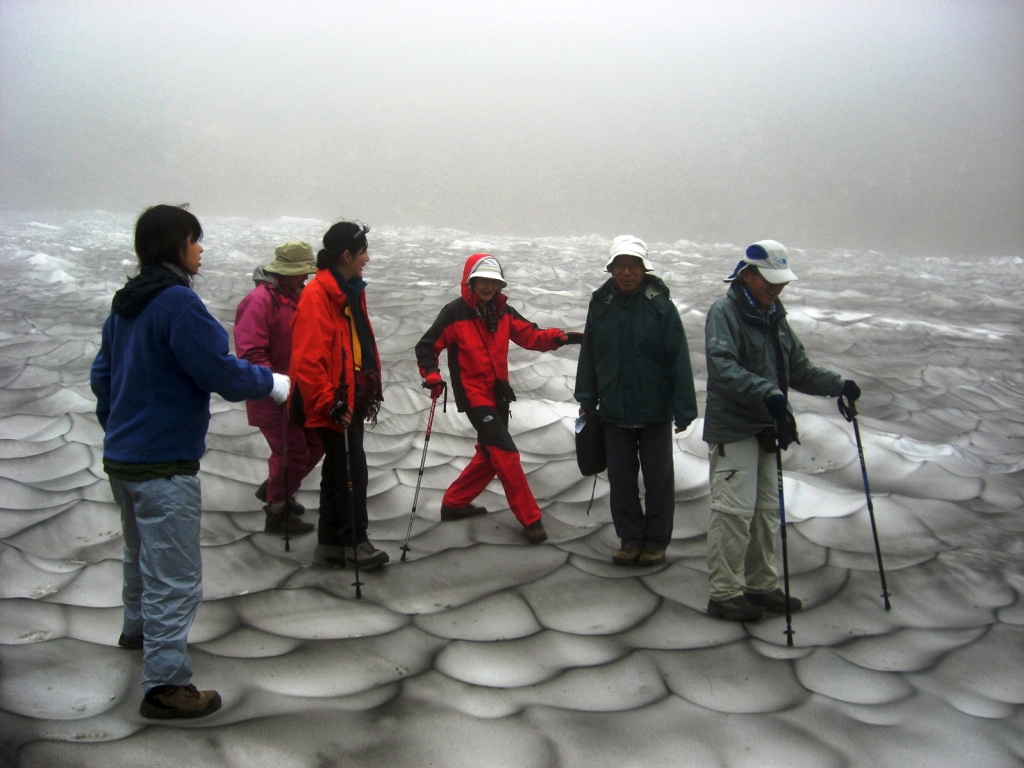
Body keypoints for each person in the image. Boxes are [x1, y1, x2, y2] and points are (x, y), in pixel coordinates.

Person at [90, 204, 290, 719]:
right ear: (175, 246)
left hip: (125, 458)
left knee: (139, 556)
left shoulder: (127, 304)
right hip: (164, 464)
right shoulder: (178, 303)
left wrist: (120, 426)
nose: (200, 249)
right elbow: (216, 371)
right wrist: (273, 383)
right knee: (174, 576)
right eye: (194, 241)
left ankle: (137, 632)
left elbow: (102, 375)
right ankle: (166, 685)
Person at [703, 240, 861, 621]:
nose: (776, 288)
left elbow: (799, 369)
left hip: (769, 428)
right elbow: (722, 368)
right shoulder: (724, 312)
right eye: (768, 280)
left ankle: (760, 586)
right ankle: (723, 594)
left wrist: (839, 385)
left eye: (780, 281)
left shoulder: (776, 317)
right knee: (733, 512)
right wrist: (768, 393)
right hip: (735, 428)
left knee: (765, 512)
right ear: (747, 275)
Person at [415, 253, 581, 544]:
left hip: (499, 394)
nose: (489, 287)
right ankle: (531, 520)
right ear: (471, 282)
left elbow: (531, 335)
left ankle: (454, 504)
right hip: (473, 395)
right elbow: (427, 346)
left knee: (490, 454)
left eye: (494, 281)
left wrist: (561, 337)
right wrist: (431, 374)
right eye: (483, 280)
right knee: (505, 453)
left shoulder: (503, 312)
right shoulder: (454, 313)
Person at [574, 235, 698, 567]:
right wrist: (586, 397)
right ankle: (630, 539)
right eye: (620, 266)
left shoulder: (660, 306)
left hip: (655, 409)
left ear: (644, 269)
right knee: (622, 478)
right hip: (614, 409)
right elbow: (590, 353)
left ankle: (656, 541)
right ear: (611, 269)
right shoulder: (601, 306)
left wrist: (684, 407)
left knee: (658, 479)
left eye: (633, 266)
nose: (626, 272)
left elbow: (678, 357)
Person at [290, 221, 389, 570]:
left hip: (347, 395)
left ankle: (330, 545)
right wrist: (329, 402)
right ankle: (354, 542)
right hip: (334, 401)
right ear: (346, 255)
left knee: (338, 469)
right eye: (362, 252)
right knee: (350, 470)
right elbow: (308, 357)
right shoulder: (318, 295)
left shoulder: (347, 289)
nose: (367, 258)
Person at [234, 241, 322, 536]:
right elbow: (250, 352)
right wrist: (275, 385)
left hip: (299, 392)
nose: (306, 278)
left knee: (315, 445)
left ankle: (278, 489)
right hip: (270, 394)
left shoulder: (295, 296)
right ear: (284, 273)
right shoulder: (260, 301)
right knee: (292, 452)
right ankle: (277, 511)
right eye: (300, 273)